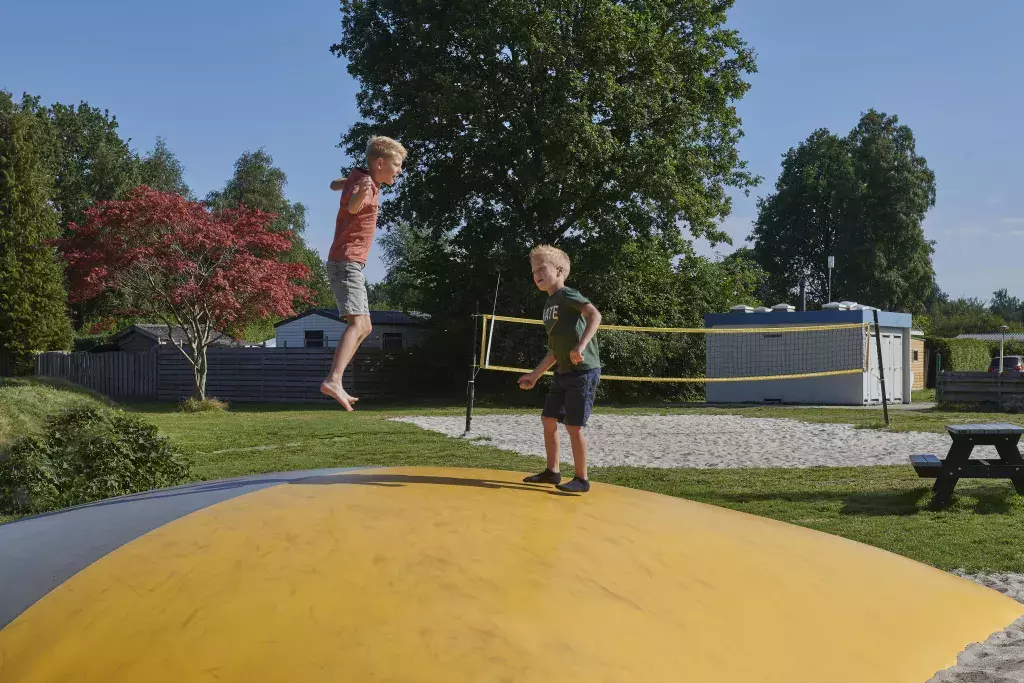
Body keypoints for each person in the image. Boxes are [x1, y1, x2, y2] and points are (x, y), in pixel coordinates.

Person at [320, 136, 407, 410]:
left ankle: (336, 379)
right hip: (346, 262)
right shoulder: (366, 185)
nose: (399, 170)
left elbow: (334, 184)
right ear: (380, 163)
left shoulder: (360, 177)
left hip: (349, 263)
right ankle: (333, 379)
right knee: (358, 324)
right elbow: (353, 207)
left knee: (366, 326)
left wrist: (345, 183)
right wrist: (359, 191)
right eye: (397, 164)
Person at [517, 245, 602, 493]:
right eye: (534, 271)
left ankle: (582, 479)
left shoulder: (567, 295)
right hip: (563, 371)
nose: (537, 275)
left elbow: (595, 315)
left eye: (542, 269)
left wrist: (581, 346)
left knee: (573, 427)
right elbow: (554, 350)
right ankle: (552, 472)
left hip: (583, 371)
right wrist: (535, 375)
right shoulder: (549, 304)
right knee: (548, 419)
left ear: (560, 271)